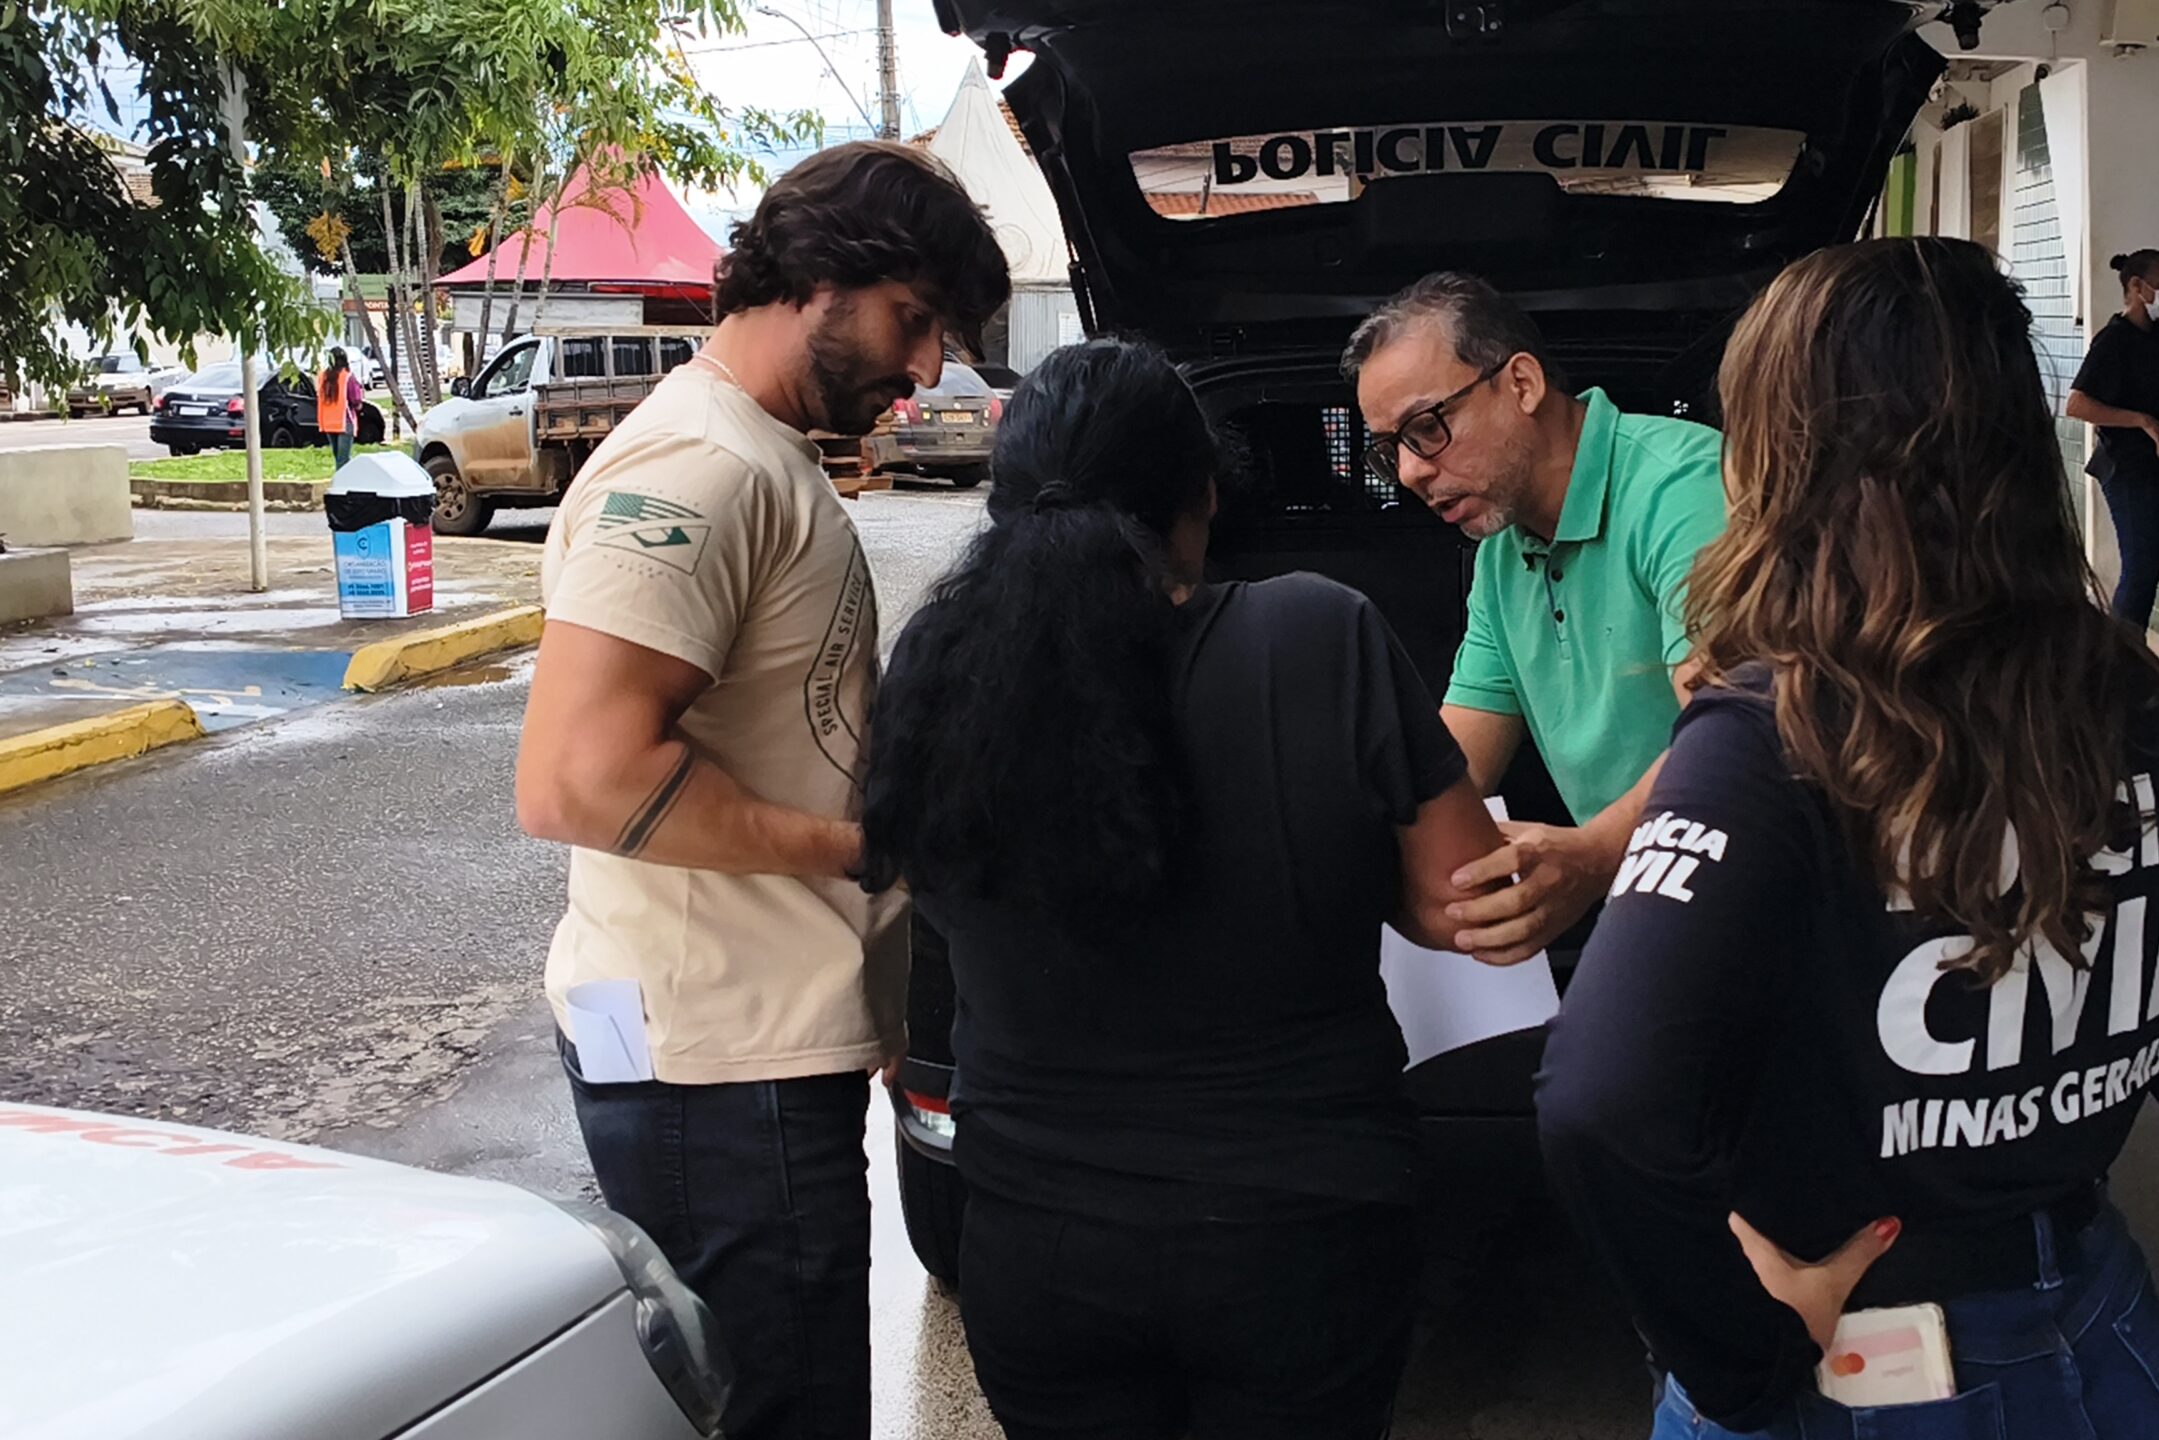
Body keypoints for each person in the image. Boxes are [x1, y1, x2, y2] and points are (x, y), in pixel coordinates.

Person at [1536, 238, 2159, 1440]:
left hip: (1854, 1366)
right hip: (2092, 1342)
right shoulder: (2148, 712)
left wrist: (1743, 1370)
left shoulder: (1773, 736)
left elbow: (1599, 1107)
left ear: (1784, 455)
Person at [861, 338, 1515, 1440]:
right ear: (1203, 493)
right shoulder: (1316, 631)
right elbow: (1458, 900)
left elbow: (923, 886)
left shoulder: (935, 665)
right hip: (1299, 1232)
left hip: (1034, 1239)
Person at [512, 141, 1008, 1440]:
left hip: (742, 1050)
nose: (926, 371)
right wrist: (857, 847)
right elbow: (581, 774)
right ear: (822, 275)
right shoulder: (699, 471)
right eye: (914, 322)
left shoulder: (760, 457)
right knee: (780, 1415)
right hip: (713, 1069)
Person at [1344, 272, 1727, 963]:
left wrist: (1598, 852)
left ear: (1521, 383)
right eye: (1387, 448)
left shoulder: (1683, 488)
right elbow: (1454, 764)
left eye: (1426, 429)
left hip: (1757, 900)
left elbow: (1735, 735)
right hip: (1654, 916)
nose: (1407, 472)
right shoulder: (1502, 552)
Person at [2067, 249, 2159, 630]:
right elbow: (2078, 404)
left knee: (2150, 568)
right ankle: (2122, 660)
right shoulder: (2115, 340)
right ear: (2136, 286)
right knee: (2141, 568)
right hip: (2132, 468)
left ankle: (2128, 655)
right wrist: (2142, 421)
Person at [316, 346, 362, 470]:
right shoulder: (347, 377)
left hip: (328, 423)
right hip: (344, 422)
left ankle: (339, 481)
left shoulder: (322, 377)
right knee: (344, 460)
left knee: (338, 458)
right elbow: (356, 400)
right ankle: (343, 484)